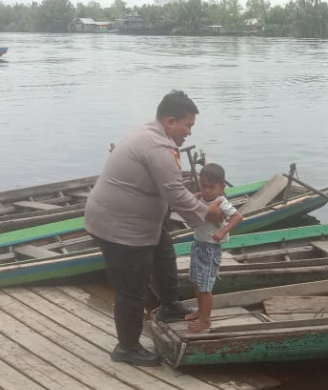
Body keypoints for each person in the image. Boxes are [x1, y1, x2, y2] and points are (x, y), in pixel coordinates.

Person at [84, 90, 224, 367]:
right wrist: (209, 213)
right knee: (131, 288)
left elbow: (169, 188)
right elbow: (174, 194)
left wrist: (193, 204)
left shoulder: (153, 135)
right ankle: (127, 347)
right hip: (120, 228)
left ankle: (169, 307)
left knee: (163, 257)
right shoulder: (157, 146)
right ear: (170, 121)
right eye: (188, 125)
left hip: (141, 222)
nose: (189, 133)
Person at [185, 163, 244, 333]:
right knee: (196, 281)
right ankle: (200, 311)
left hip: (210, 249)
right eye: (204, 186)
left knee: (205, 287)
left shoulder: (221, 201)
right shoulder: (201, 198)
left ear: (222, 187)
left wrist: (223, 232)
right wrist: (195, 198)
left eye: (212, 187)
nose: (207, 190)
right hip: (198, 244)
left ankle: (205, 320)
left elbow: (238, 216)